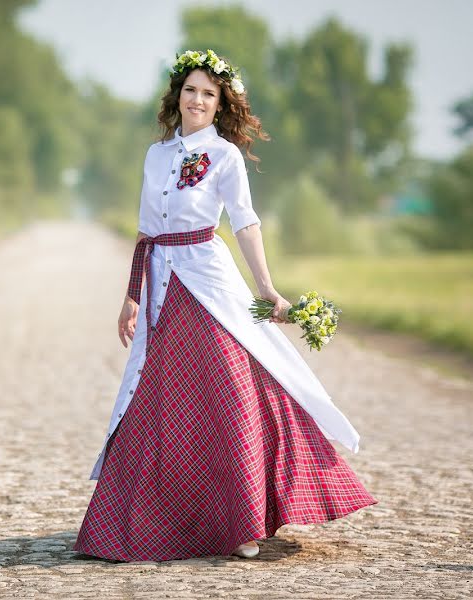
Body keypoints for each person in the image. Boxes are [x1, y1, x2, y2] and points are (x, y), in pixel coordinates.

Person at [72, 49, 378, 562]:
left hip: (207, 279)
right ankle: (140, 525)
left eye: (208, 94)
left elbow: (245, 221)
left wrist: (266, 287)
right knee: (157, 400)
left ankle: (244, 520)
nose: (197, 100)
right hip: (160, 284)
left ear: (220, 105)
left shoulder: (226, 156)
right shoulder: (155, 155)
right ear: (178, 96)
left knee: (231, 389)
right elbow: (147, 230)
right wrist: (130, 296)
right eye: (190, 90)